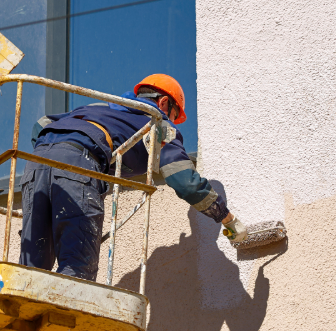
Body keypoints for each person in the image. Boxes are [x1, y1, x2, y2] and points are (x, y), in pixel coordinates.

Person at [18, 74, 238, 281]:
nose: (171, 121)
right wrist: (226, 217)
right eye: (173, 115)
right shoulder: (157, 124)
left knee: (32, 266)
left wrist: (53, 156)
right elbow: (184, 181)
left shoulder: (100, 108)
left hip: (36, 163)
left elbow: (42, 123)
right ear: (162, 103)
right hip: (79, 163)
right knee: (77, 267)